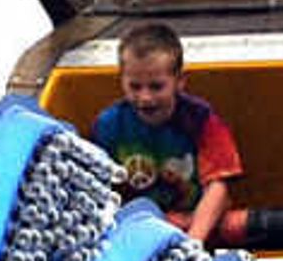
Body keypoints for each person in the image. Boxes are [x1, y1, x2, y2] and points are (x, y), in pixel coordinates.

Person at [88, 20, 241, 243]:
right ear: (122, 81)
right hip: (137, 231)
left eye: (156, 86)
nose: (145, 98)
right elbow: (97, 189)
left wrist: (194, 242)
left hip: (196, 227)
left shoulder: (200, 119)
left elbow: (219, 186)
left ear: (179, 82)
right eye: (135, 86)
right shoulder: (108, 125)